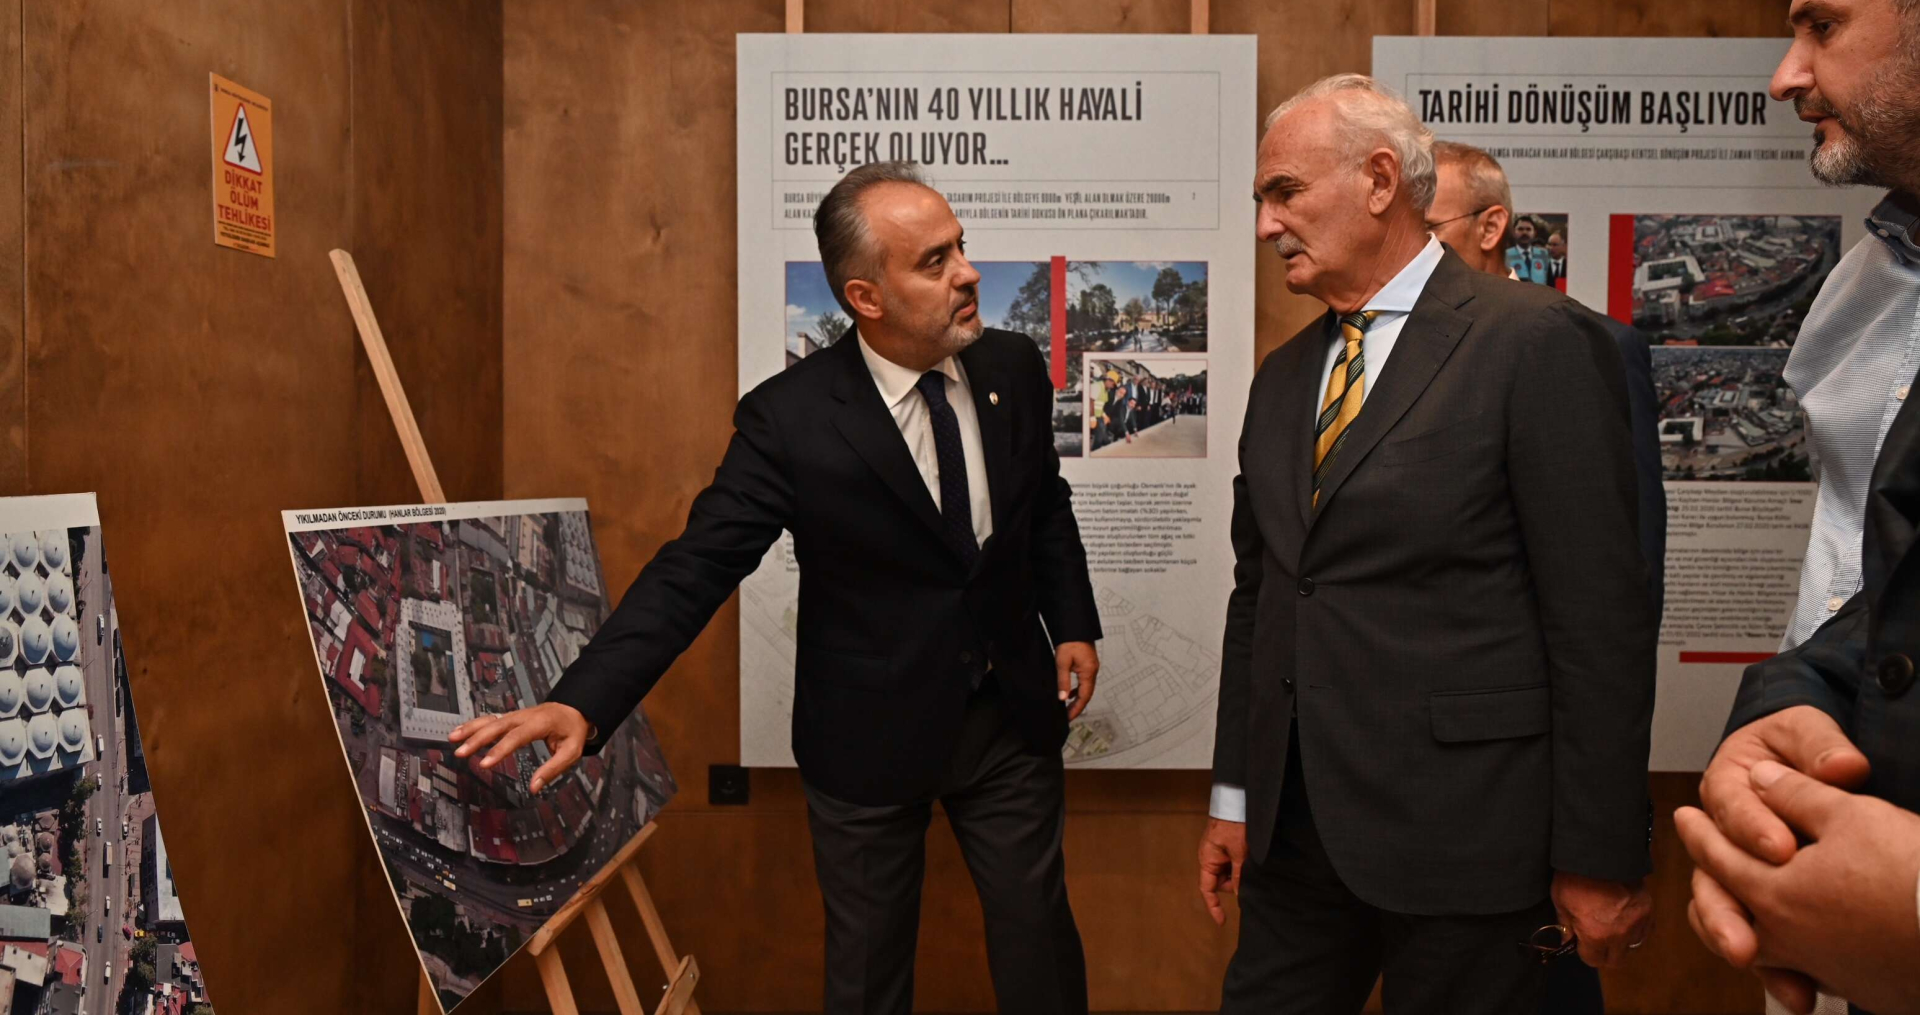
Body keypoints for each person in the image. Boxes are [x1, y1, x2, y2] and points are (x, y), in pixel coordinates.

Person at [449, 161, 1104, 1015]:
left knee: (1040, 944)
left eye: (961, 248)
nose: (969, 273)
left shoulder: (1010, 367)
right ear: (866, 297)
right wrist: (584, 700)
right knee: (867, 978)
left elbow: (1043, 504)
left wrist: (1073, 622)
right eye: (935, 261)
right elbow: (697, 565)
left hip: (1006, 718)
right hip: (867, 737)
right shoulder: (790, 419)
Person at [1198, 74, 1657, 1015]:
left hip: (1471, 840)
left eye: (1284, 192)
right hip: (1298, 839)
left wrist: (1600, 854)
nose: (1266, 224)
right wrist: (1236, 796)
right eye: (1261, 200)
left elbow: (1598, 624)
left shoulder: (1536, 343)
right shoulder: (1285, 377)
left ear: (1378, 181)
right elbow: (1265, 598)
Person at [1678, 0, 1920, 1013]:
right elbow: (1870, 570)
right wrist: (1775, 711)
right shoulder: (1861, 284)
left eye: (1823, 25)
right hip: (1832, 875)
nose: (1785, 75)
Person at [1429, 140, 1667, 622]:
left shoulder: (1599, 345)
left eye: (1426, 229)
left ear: (1490, 227)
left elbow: (1632, 545)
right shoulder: (1380, 347)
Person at [1506, 214, 1551, 284]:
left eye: (1528, 229)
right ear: (1514, 232)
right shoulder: (1506, 255)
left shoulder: (1544, 254)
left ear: (1534, 232)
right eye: (1520, 229)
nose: (1524, 232)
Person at [1546, 226, 1570, 291]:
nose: (1551, 248)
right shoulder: (1544, 264)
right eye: (1549, 244)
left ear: (1563, 246)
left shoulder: (1568, 265)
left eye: (1555, 245)